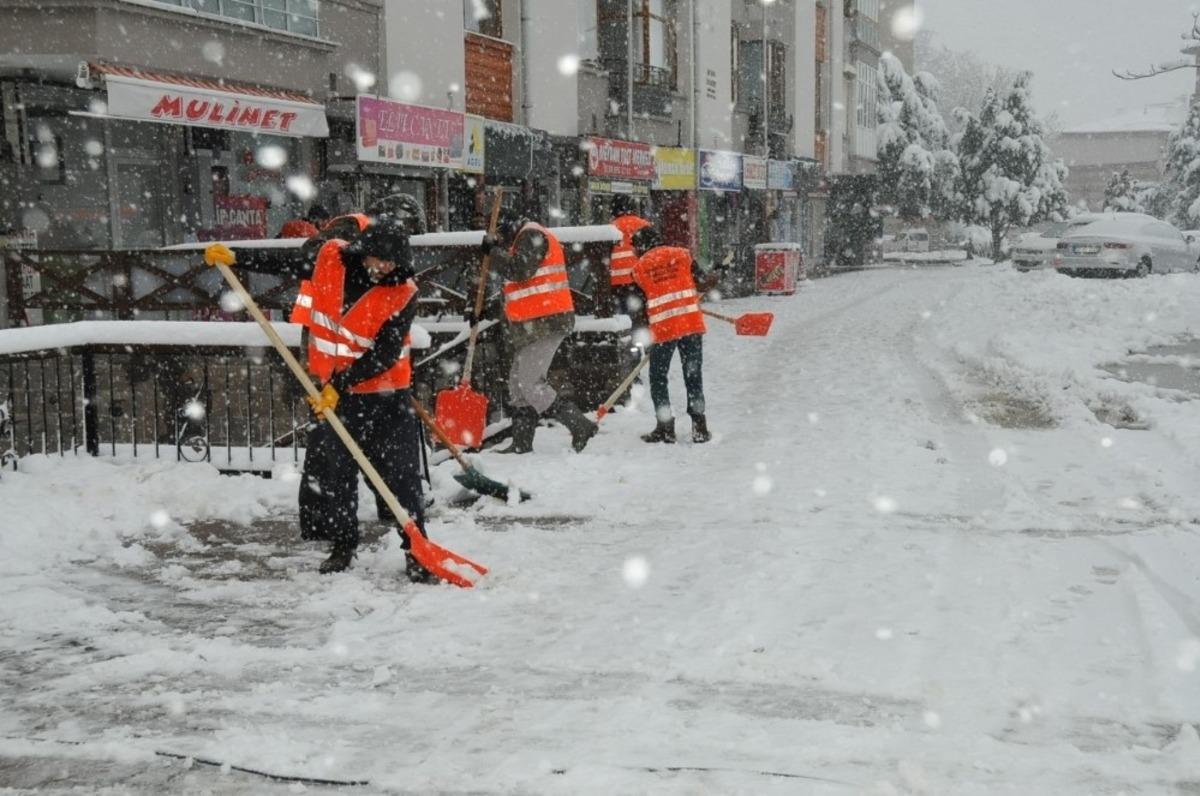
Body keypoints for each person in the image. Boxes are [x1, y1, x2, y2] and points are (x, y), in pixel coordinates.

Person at [290, 208, 437, 581]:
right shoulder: (331, 261)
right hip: (334, 394)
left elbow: (385, 353)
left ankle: (416, 549)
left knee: (402, 476)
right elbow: (288, 262)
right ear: (363, 252)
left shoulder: (404, 292)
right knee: (338, 474)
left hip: (387, 395)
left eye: (393, 262)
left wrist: (340, 386)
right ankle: (343, 545)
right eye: (380, 259)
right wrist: (236, 258)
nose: (386, 268)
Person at [481, 213, 597, 454]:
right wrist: (483, 312)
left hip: (547, 322)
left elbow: (520, 271)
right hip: (532, 325)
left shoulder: (532, 235)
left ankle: (580, 425)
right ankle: (522, 443)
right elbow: (517, 291)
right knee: (517, 384)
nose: (503, 243)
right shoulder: (524, 239)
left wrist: (493, 253)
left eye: (503, 238)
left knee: (531, 383)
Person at [629, 226, 716, 444]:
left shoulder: (639, 268)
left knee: (658, 378)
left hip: (663, 329)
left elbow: (639, 308)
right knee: (693, 375)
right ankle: (699, 427)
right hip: (691, 324)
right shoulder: (682, 255)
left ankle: (665, 427)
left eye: (635, 248)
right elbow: (703, 282)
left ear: (641, 246)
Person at [608, 194, 651, 317]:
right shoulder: (644, 225)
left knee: (620, 319)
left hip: (616, 283)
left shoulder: (610, 228)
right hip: (639, 281)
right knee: (639, 317)